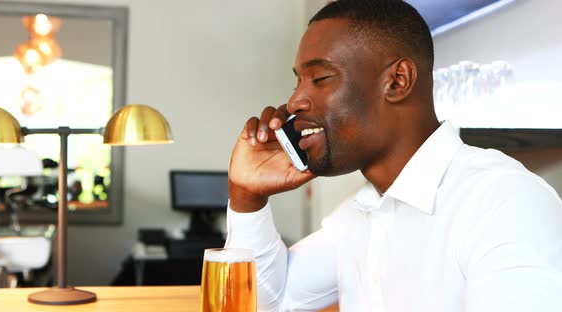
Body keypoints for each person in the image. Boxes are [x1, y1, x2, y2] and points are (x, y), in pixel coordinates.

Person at [225, 0, 562, 311]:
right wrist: (247, 195)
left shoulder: (503, 203)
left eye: (320, 78)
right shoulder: (361, 214)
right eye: (299, 81)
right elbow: (267, 301)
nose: (296, 100)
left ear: (398, 82)